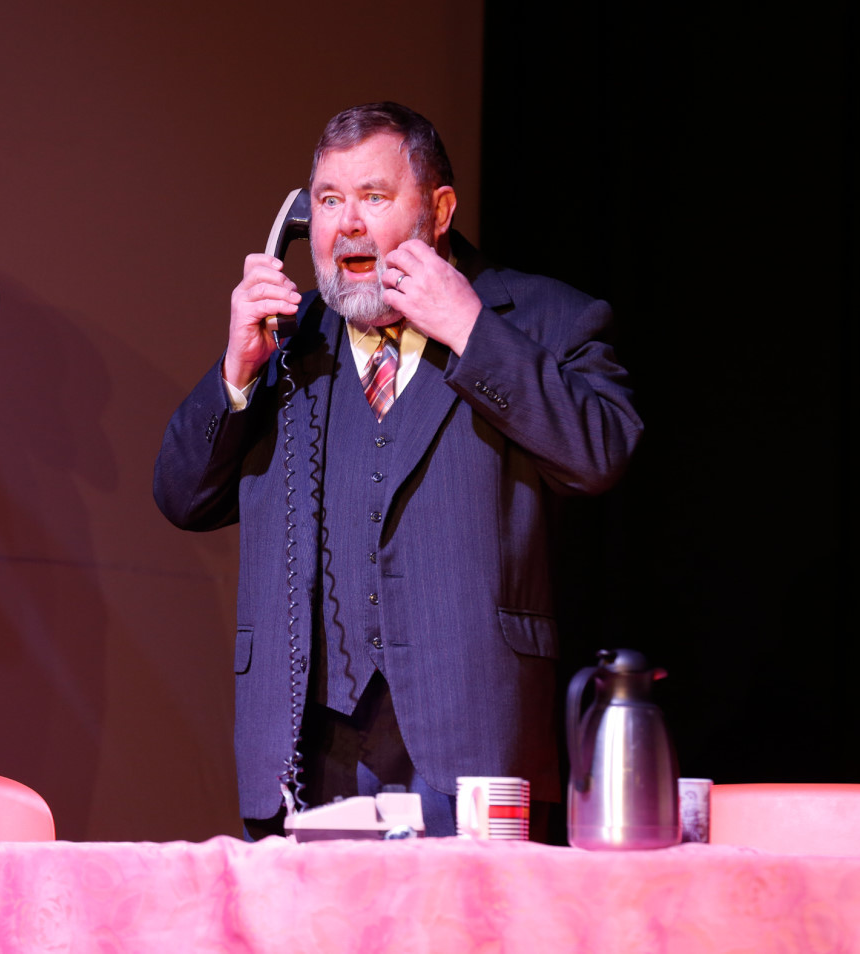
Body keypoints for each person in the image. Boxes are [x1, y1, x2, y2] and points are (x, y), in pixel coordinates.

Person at [153, 102, 641, 838]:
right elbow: (182, 496)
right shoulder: (286, 341)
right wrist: (236, 371)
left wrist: (472, 330)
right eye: (328, 201)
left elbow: (600, 453)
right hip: (307, 754)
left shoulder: (541, 319)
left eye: (374, 197)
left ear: (438, 212)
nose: (347, 224)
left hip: (474, 750)